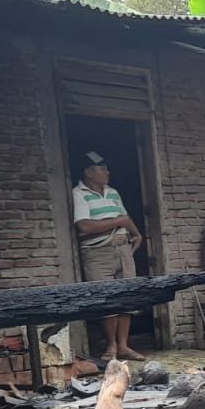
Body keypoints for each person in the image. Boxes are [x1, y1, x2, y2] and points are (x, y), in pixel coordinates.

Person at [73, 151, 145, 360]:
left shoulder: (112, 192)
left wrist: (136, 233)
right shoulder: (79, 194)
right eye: (102, 169)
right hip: (98, 253)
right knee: (106, 299)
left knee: (127, 297)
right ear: (89, 173)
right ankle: (111, 346)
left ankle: (123, 346)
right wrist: (117, 222)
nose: (107, 172)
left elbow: (125, 217)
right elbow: (85, 226)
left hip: (122, 249)